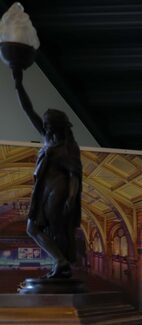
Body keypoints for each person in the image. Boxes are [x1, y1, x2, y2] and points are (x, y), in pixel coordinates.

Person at [13, 67, 82, 279]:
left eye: (48, 124)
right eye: (45, 125)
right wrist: (18, 84)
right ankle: (60, 262)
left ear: (56, 126)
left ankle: (62, 263)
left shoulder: (68, 146)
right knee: (33, 228)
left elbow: (75, 175)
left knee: (53, 230)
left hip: (58, 191)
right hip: (43, 191)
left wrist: (71, 196)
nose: (45, 127)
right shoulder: (46, 138)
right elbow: (27, 109)